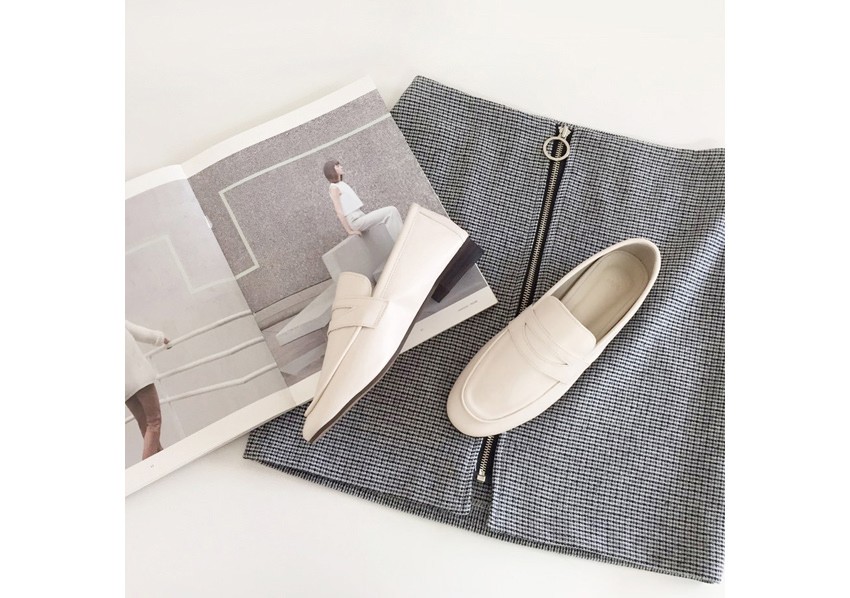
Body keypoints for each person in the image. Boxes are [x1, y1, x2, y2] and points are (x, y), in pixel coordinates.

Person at [125, 320, 171, 460]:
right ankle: (147, 467)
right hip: (140, 378)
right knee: (154, 422)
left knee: (145, 424)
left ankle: (160, 460)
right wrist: (161, 338)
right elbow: (141, 333)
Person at [323, 160, 403, 240]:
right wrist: (349, 231)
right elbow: (339, 212)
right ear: (331, 170)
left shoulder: (341, 184)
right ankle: (403, 242)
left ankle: (402, 240)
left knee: (389, 215)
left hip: (359, 216)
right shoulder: (334, 188)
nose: (341, 167)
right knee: (391, 211)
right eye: (337, 166)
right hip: (355, 221)